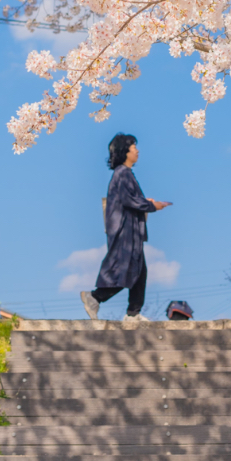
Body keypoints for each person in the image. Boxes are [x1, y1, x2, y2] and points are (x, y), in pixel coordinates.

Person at [81, 133, 171, 322]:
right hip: (125, 232)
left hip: (129, 232)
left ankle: (133, 313)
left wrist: (146, 202)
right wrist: (152, 206)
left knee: (138, 272)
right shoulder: (122, 173)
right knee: (127, 272)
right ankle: (96, 298)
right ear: (125, 151)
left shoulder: (124, 174)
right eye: (133, 147)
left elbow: (131, 199)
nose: (137, 150)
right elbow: (129, 200)